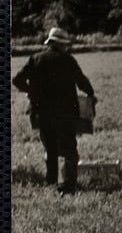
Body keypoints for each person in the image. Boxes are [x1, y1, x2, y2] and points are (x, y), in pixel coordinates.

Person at [12, 27, 98, 194]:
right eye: (65, 44)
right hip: (65, 112)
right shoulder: (68, 60)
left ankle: (51, 184)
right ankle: (69, 186)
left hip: (42, 112)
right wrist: (91, 94)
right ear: (60, 44)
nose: (66, 47)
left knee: (51, 150)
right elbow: (81, 81)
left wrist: (30, 91)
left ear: (49, 43)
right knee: (70, 151)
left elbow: (17, 80)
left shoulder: (36, 58)